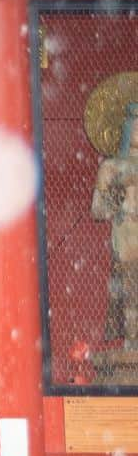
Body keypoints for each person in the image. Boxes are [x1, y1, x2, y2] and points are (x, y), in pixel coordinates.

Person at [92, 101, 138, 350]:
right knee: (131, 289)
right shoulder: (111, 167)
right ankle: (132, 343)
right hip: (128, 232)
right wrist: (119, 194)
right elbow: (98, 211)